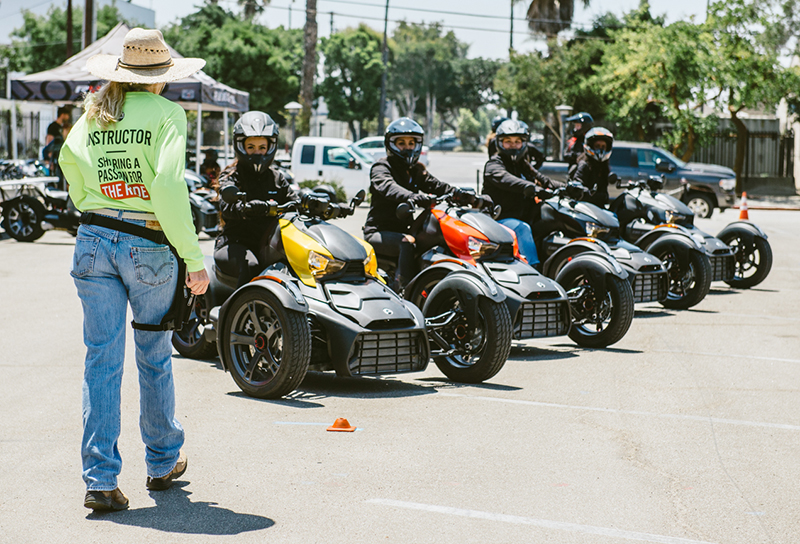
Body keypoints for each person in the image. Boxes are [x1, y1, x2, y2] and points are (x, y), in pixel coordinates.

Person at [58, 28, 210, 512]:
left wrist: (97, 202)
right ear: (161, 77)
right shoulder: (167, 115)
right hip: (148, 244)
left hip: (93, 238)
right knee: (153, 353)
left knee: (100, 360)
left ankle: (100, 479)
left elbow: (68, 162)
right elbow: (168, 186)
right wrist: (193, 258)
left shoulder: (94, 111)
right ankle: (162, 462)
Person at [364, 117, 472, 291]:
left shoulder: (417, 170)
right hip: (378, 232)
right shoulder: (381, 168)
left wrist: (463, 195)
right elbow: (388, 187)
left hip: (407, 229)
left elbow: (438, 186)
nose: (407, 148)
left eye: (411, 143)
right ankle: (404, 290)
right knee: (406, 242)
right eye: (401, 143)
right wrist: (413, 196)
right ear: (390, 144)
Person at [214, 111, 313, 288]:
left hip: (269, 244)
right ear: (240, 146)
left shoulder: (277, 178)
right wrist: (246, 208)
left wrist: (312, 204)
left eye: (262, 147)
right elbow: (227, 206)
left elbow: (294, 202)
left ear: (271, 147)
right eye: (251, 147)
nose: (257, 152)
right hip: (235, 243)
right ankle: (238, 313)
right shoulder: (230, 176)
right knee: (251, 266)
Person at [483, 119, 564, 268]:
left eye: (517, 141)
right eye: (508, 141)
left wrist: (568, 188)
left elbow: (544, 180)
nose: (513, 145)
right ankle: (534, 270)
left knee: (555, 215)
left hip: (524, 216)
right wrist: (533, 187)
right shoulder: (494, 165)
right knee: (522, 228)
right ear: (499, 143)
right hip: (499, 219)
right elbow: (509, 180)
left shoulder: (522, 164)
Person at [570, 127, 615, 207]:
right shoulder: (584, 165)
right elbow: (577, 187)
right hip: (584, 208)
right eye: (597, 146)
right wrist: (589, 193)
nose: (600, 150)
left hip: (598, 208)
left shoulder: (603, 167)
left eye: (603, 146)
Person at [43, 105, 72, 187]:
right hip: (55, 158)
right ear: (62, 115)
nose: (68, 117)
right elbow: (49, 142)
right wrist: (50, 158)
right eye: (67, 115)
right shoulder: (53, 127)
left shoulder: (62, 127)